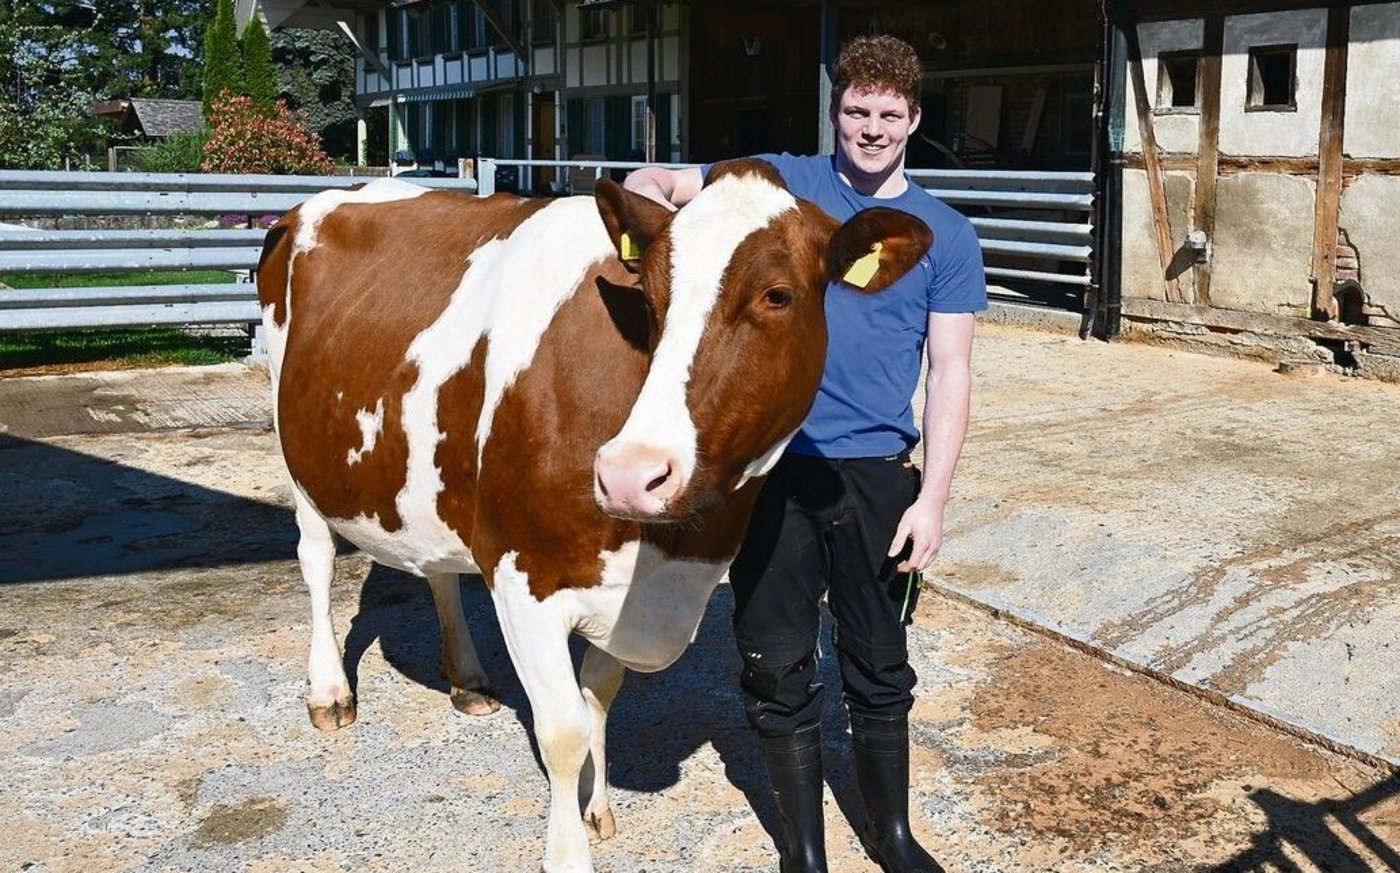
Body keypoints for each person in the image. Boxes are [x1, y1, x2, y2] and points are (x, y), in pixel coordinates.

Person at [625, 34, 986, 873]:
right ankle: (806, 854)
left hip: (877, 475)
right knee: (777, 658)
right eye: (857, 110)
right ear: (836, 112)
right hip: (775, 472)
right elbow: (674, 185)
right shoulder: (779, 186)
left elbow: (953, 369)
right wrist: (649, 190)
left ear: (915, 119)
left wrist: (931, 498)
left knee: (879, 658)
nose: (871, 128)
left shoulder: (941, 233)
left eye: (889, 114)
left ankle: (892, 836)